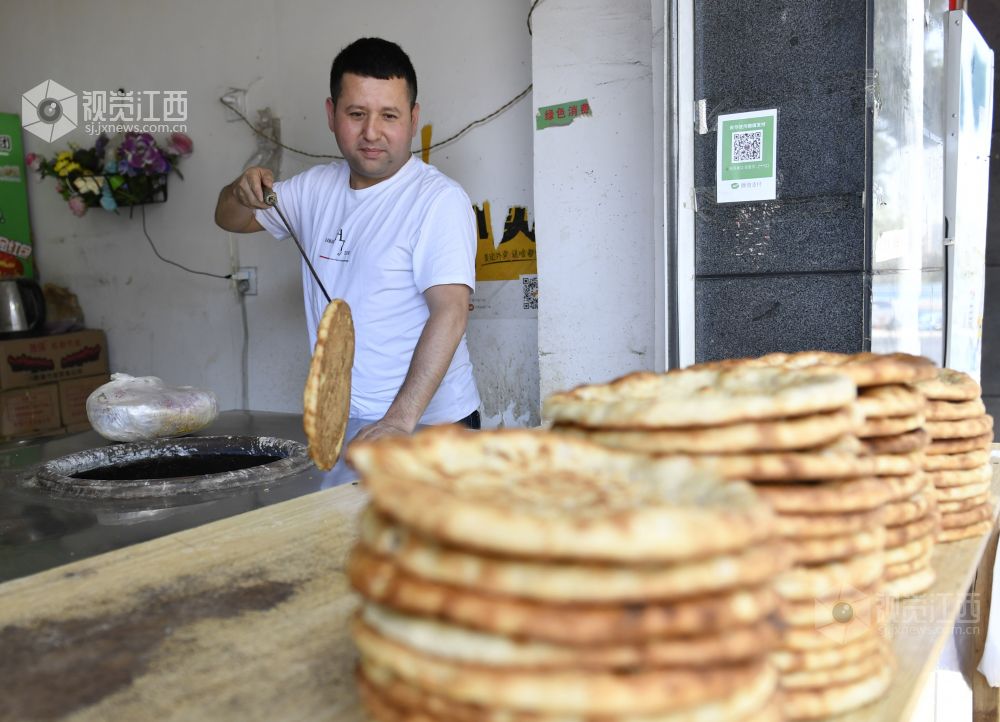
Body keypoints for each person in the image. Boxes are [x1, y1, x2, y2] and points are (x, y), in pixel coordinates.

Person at [215, 37, 481, 445]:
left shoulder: (437, 201)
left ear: (413, 117)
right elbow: (229, 219)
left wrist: (399, 419)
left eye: (389, 116)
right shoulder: (314, 189)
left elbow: (450, 313)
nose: (371, 133)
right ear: (331, 113)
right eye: (356, 113)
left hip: (430, 428)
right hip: (346, 423)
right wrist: (240, 191)